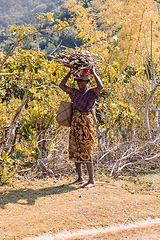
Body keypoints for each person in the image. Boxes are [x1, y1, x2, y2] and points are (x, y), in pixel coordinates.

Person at [59, 66, 103, 188]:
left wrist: (94, 73)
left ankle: (91, 181)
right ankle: (80, 177)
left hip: (86, 123)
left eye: (82, 81)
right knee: (75, 150)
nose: (79, 83)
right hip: (75, 123)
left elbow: (101, 87)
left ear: (87, 82)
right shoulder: (74, 92)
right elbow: (62, 86)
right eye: (78, 81)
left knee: (86, 150)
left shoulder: (91, 92)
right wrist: (69, 72)